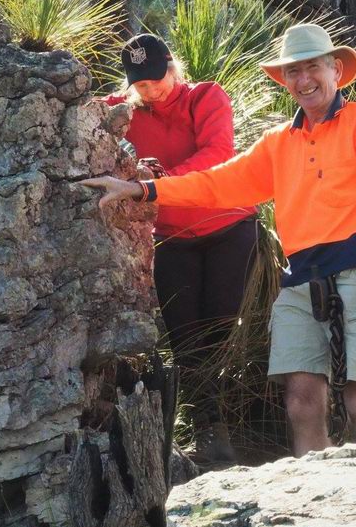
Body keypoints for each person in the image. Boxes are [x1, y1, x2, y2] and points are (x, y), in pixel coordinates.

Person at [84, 23, 356, 457]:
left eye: (312, 68)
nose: (303, 80)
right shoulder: (278, 143)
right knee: (301, 401)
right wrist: (142, 189)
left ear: (335, 69)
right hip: (300, 282)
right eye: (293, 72)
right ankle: (319, 505)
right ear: (284, 81)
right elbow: (217, 184)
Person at [100, 33, 259, 464]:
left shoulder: (206, 97)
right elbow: (89, 113)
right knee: (185, 336)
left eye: (156, 78)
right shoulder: (125, 110)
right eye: (140, 83)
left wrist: (155, 183)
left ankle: (241, 421)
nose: (150, 89)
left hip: (229, 227)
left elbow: (218, 154)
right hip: (173, 239)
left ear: (172, 66)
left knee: (221, 327)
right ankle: (209, 432)